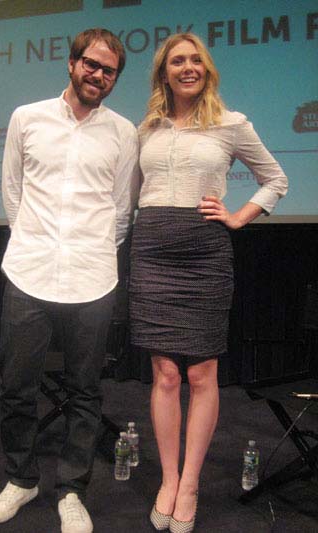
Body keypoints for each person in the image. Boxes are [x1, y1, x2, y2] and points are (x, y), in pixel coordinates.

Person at [129, 32, 288, 533]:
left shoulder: (231, 123)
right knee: (164, 374)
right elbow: (132, 193)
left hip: (204, 253)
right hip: (152, 248)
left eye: (195, 59)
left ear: (207, 69)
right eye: (177, 61)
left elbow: (276, 179)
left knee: (201, 374)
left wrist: (239, 216)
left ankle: (191, 483)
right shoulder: (146, 129)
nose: (187, 67)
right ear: (164, 72)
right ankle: (169, 480)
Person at [0, 28, 139, 533]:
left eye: (109, 70)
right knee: (16, 385)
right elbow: (13, 194)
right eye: (91, 65)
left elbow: (121, 208)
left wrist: (92, 250)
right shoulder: (26, 119)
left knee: (85, 391)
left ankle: (72, 490)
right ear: (71, 63)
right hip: (30, 270)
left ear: (116, 78)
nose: (98, 75)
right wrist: (36, 241)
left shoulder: (123, 132)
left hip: (93, 278)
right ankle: (22, 478)